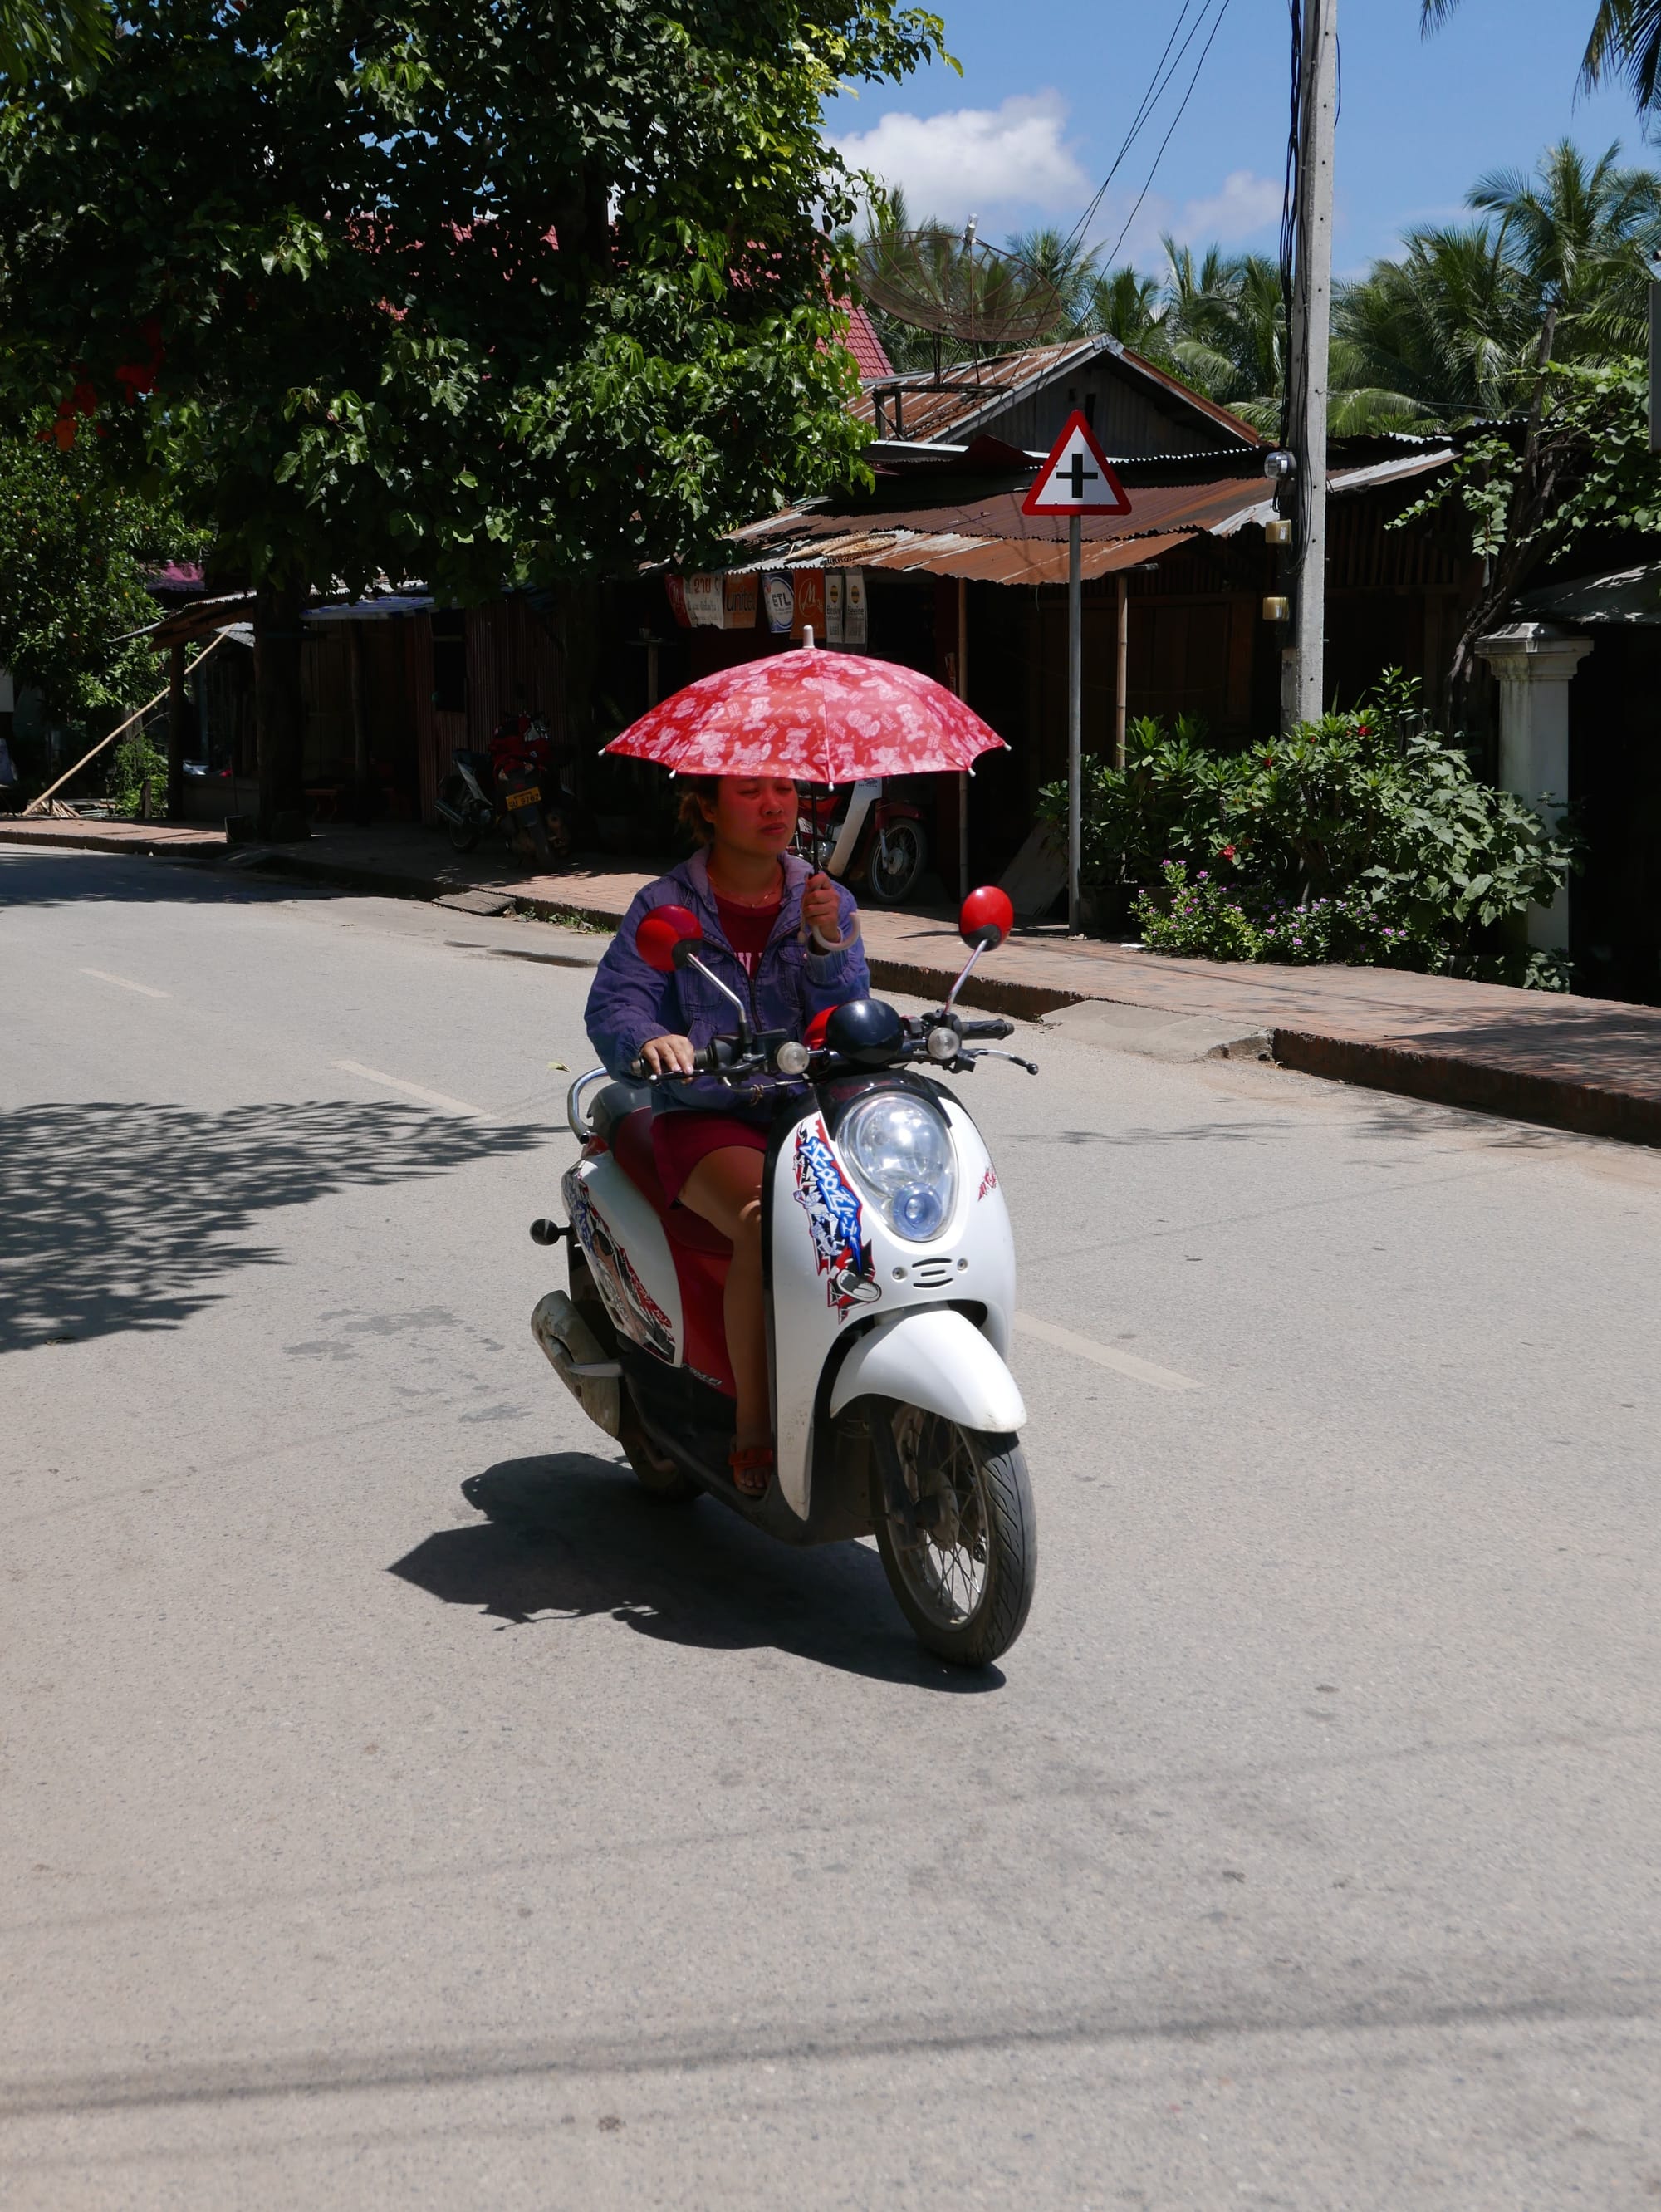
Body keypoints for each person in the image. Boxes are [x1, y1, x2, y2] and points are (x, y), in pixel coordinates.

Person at [585, 774, 869, 1498]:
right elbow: (616, 1005)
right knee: (764, 1220)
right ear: (707, 808)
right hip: (706, 1116)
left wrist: (829, 943)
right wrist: (652, 1039)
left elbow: (845, 1015)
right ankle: (753, 1423)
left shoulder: (823, 898)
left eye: (784, 789)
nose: (775, 804)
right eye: (750, 791)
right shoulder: (665, 906)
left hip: (807, 1111)